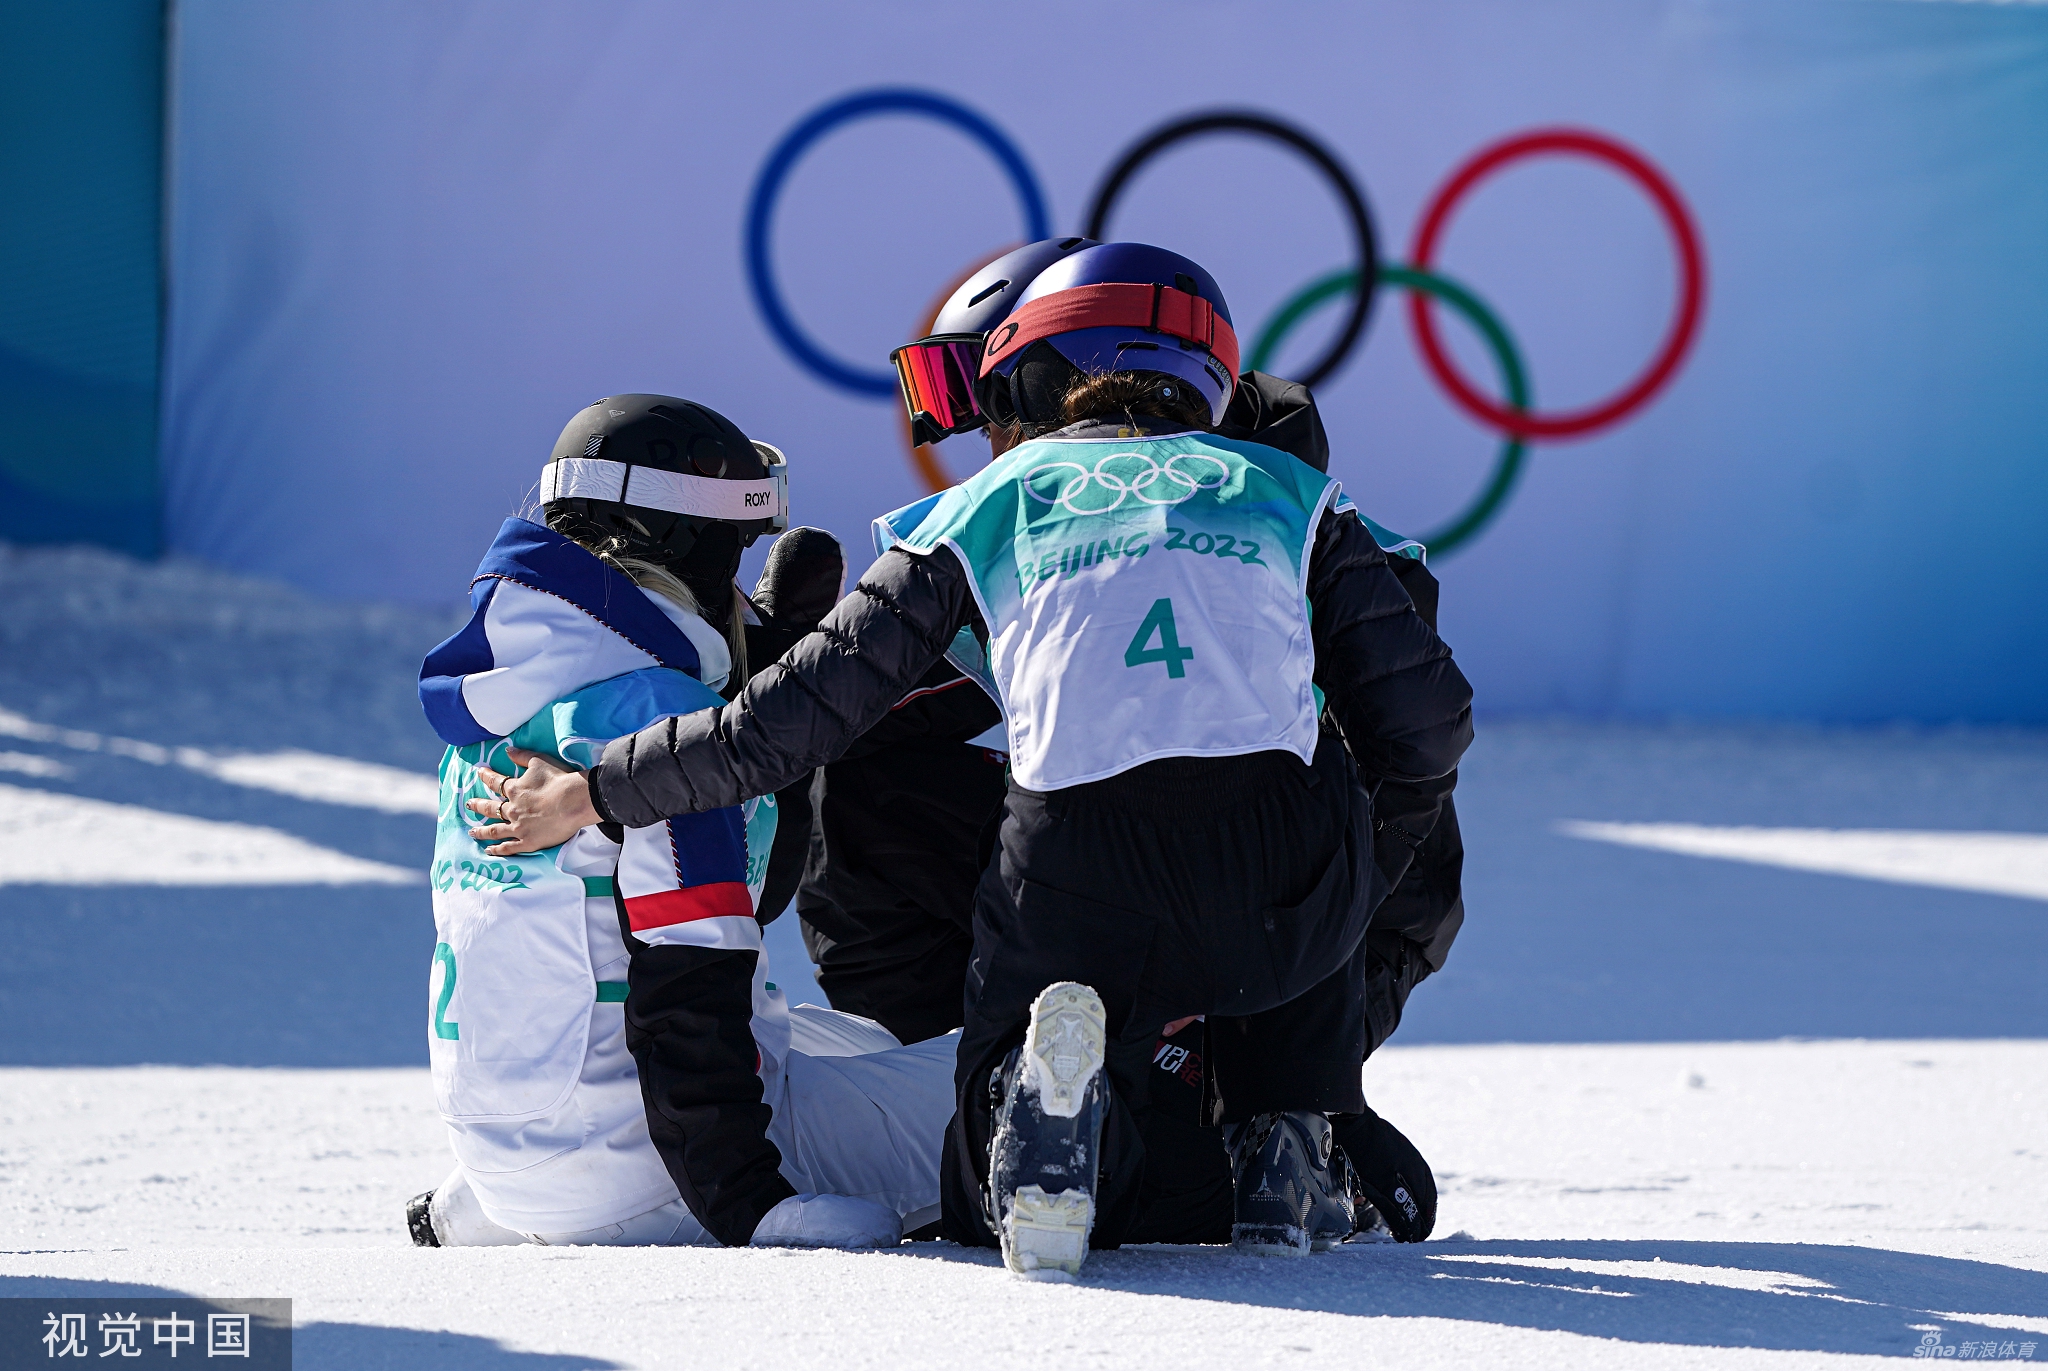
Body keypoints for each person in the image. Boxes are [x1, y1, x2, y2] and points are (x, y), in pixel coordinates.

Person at [470, 244, 1473, 1280]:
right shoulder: (1298, 497)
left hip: (1088, 886)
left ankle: (1019, 1102)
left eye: (993, 396)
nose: (984, 432)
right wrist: (1347, 889)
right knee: (1316, 786)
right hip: (1291, 912)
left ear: (1042, 379)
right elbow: (1430, 732)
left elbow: (790, 730)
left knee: (987, 1098)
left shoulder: (988, 506)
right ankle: (1290, 1128)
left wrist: (599, 789)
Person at [407, 394, 956, 1250]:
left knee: (861, 1038)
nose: (738, 589)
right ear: (686, 547)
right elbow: (689, 976)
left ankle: (483, 1202)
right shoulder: (657, 711)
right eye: (734, 550)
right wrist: (748, 1202)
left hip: (505, 1156)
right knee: (998, 1076)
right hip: (650, 1170)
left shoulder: (496, 708)